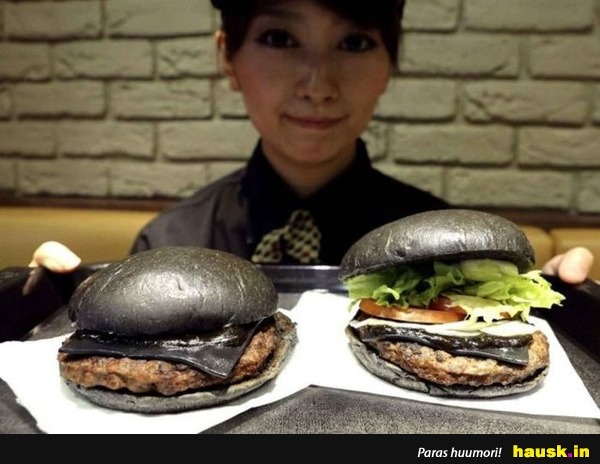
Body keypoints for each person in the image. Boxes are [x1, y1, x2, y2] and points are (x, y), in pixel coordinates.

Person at [30, 0, 594, 284]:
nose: (319, 85)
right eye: (280, 38)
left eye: (355, 43)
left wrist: (557, 318)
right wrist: (48, 313)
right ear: (227, 57)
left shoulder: (447, 246)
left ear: (391, 63)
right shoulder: (170, 241)